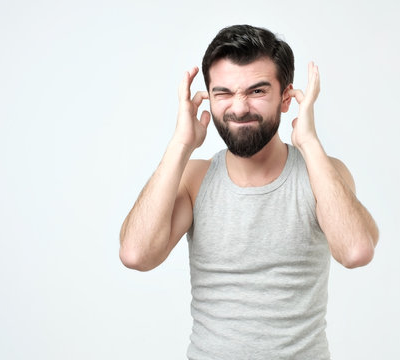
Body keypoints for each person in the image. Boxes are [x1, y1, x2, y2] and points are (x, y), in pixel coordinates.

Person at [119, 24, 379, 360]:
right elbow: (136, 255)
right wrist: (181, 144)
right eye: (223, 93)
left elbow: (356, 251)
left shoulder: (322, 173)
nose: (239, 108)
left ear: (286, 98)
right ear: (207, 98)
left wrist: (310, 142)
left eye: (257, 92)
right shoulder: (193, 179)